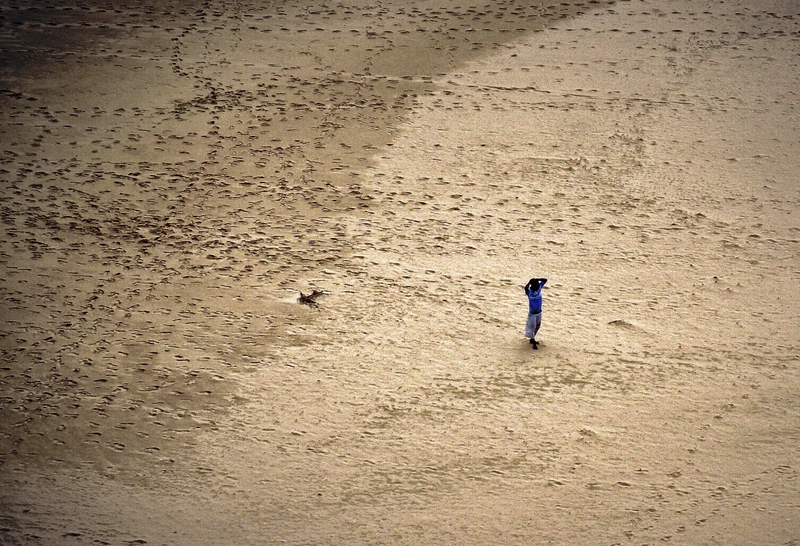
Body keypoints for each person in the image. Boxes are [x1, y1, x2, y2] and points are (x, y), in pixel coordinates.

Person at [524, 278, 547, 350]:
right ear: (533, 286)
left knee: (537, 326)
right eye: (536, 285)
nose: (537, 287)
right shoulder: (529, 292)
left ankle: (532, 339)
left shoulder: (539, 288)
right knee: (532, 328)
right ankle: (533, 341)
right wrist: (529, 282)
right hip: (532, 314)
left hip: (539, 312)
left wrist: (535, 279)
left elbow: (545, 280)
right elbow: (525, 288)